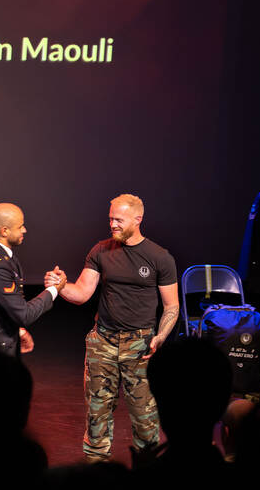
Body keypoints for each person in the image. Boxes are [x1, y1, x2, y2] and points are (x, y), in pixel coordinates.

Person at [49, 194, 179, 462]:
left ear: (137, 220)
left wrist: (161, 336)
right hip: (103, 343)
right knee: (97, 417)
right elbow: (82, 293)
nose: (113, 224)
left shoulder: (159, 257)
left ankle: (147, 475)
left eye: (118, 220)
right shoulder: (101, 251)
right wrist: (61, 286)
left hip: (141, 346)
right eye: (110, 219)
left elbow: (171, 307)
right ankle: (97, 480)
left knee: (145, 421)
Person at [0, 202, 58, 359]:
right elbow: (24, 315)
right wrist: (54, 288)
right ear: (5, 231)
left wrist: (18, 330)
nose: (25, 230)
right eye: (20, 226)